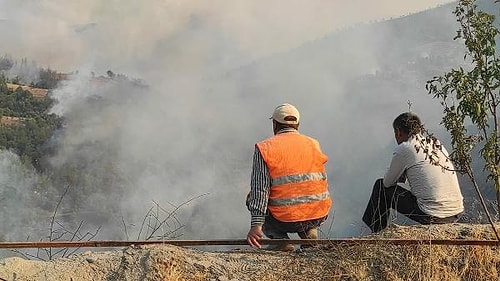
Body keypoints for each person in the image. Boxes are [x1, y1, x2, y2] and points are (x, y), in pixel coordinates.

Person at [246, 103, 332, 251]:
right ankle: (309, 234)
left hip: (284, 220)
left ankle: (281, 241)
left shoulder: (265, 148)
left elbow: (260, 190)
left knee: (251, 198)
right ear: (297, 124)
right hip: (318, 215)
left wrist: (256, 226)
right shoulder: (314, 144)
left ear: (274, 124)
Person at [362, 112, 464, 233]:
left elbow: (387, 183)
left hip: (433, 215)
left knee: (380, 187)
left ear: (398, 131)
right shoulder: (435, 143)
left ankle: (377, 233)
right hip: (456, 211)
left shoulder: (405, 148)